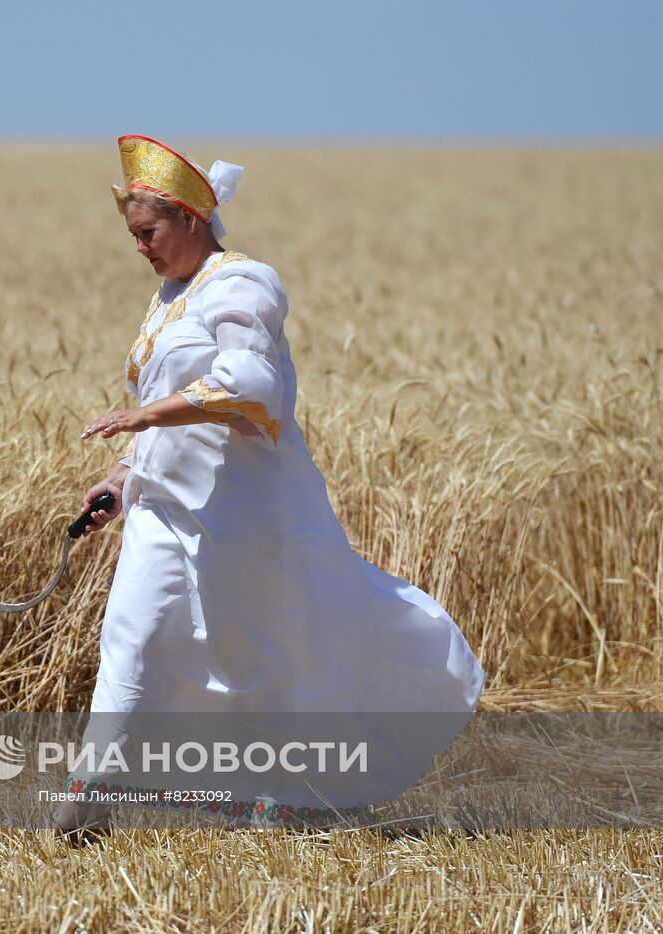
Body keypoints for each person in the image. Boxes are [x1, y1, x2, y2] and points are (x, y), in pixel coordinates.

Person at [50, 136, 485, 845]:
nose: (140, 250)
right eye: (133, 237)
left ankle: (292, 799)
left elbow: (252, 385)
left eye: (147, 234)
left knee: (270, 653)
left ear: (190, 218)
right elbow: (163, 409)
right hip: (167, 512)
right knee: (130, 634)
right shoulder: (168, 298)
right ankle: (89, 800)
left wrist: (148, 413)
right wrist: (121, 479)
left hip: (247, 517)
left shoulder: (245, 283)